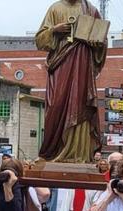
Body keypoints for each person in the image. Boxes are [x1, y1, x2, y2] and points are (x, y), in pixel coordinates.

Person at [35, 0, 106, 162]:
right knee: (56, 105)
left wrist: (97, 43)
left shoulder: (91, 10)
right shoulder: (55, 8)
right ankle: (53, 152)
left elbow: (102, 40)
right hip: (61, 63)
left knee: (80, 103)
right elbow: (40, 40)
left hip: (82, 65)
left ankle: (79, 154)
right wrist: (54, 30)